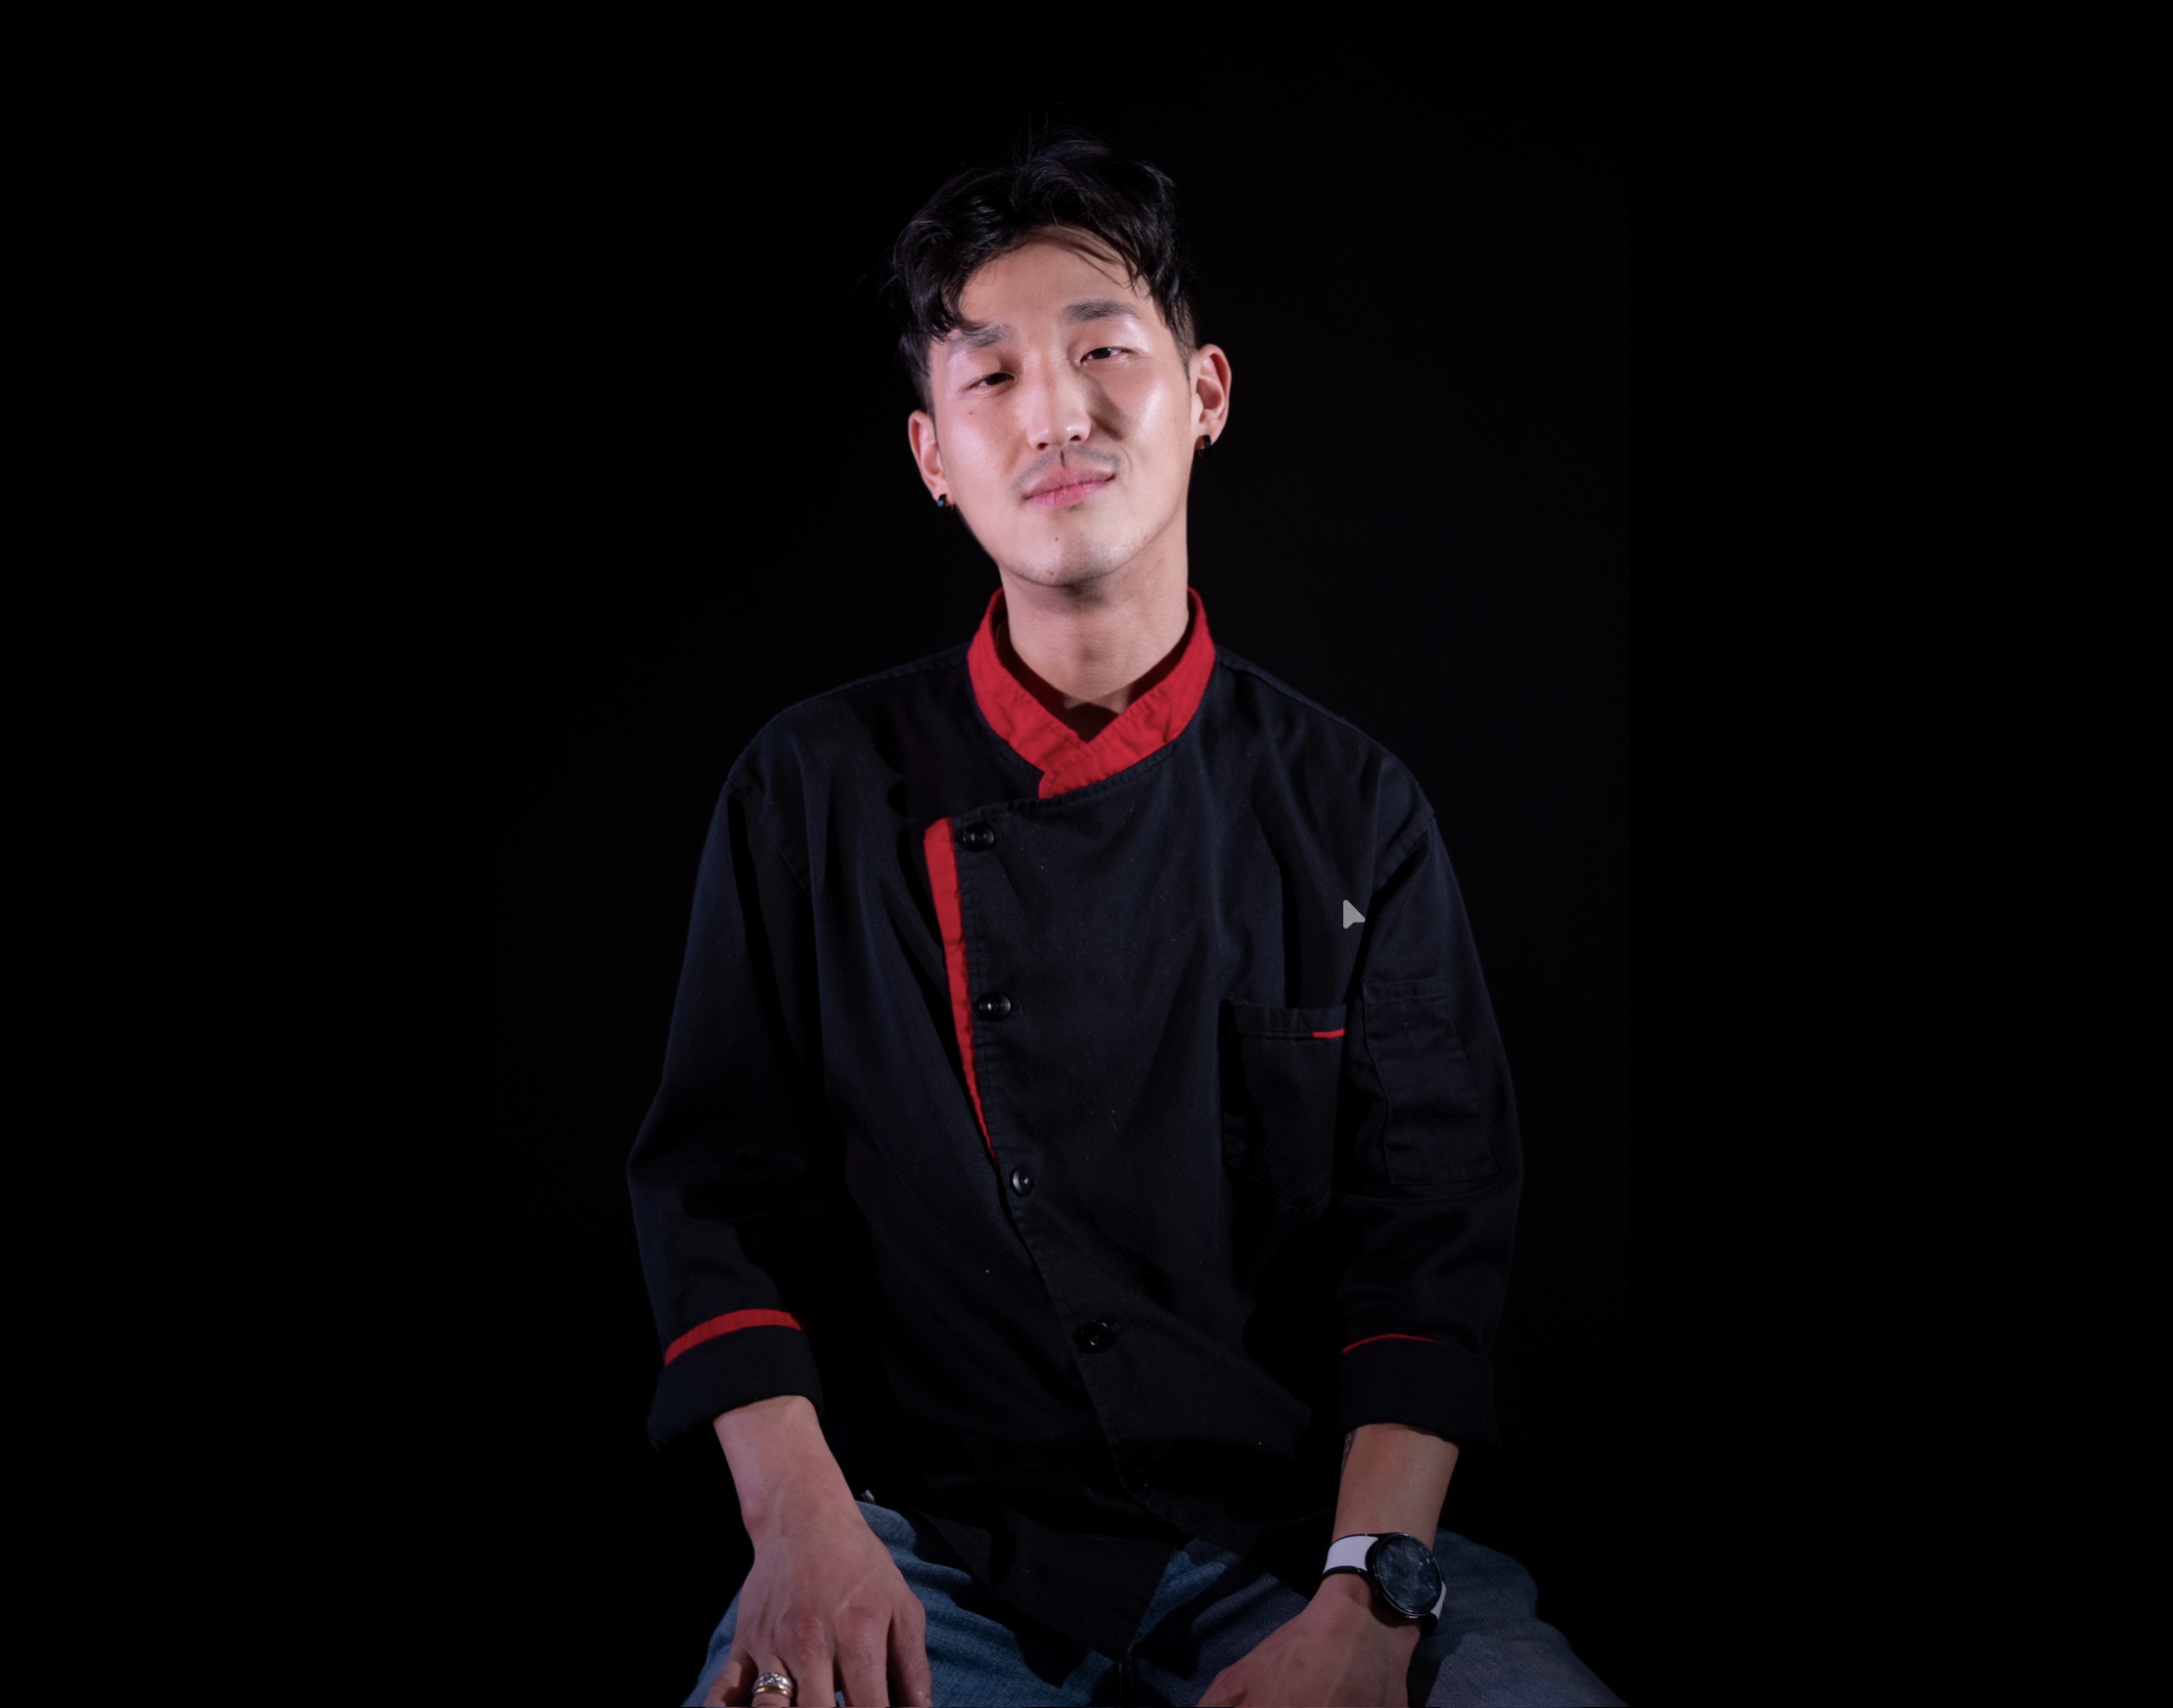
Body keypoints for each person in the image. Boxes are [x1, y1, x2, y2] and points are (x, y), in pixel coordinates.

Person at [629, 136, 1619, 1708]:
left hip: (1310, 1549)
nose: (1056, 412)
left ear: (1206, 392)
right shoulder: (806, 790)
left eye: (1103, 349)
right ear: (932, 456)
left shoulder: (1358, 813)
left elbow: (1427, 1252)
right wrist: (800, 1528)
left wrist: (1371, 1595)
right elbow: (715, 1196)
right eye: (992, 376)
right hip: (934, 1559)